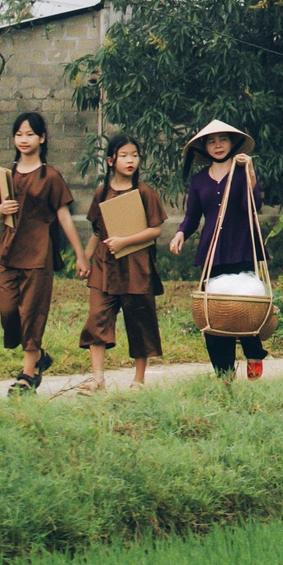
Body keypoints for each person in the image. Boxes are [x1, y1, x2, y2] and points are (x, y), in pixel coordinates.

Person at [0, 110, 86, 394]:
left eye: (30, 134)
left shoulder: (50, 176)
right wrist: (0, 210)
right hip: (8, 251)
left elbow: (64, 216)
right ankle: (40, 356)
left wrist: (80, 255)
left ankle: (27, 375)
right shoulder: (7, 176)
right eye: (19, 134)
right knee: (9, 313)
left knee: (32, 312)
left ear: (42, 138)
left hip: (38, 252)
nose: (24, 139)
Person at [167, 119, 269, 378]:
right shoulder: (199, 180)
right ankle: (224, 374)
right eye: (211, 141)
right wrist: (180, 234)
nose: (218, 145)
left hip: (242, 248)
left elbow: (253, 206)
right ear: (204, 147)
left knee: (244, 308)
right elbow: (192, 216)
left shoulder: (242, 171)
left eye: (223, 139)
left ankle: (254, 353)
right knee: (214, 314)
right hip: (212, 252)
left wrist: (251, 174)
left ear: (232, 143)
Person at [80, 133, 165, 388]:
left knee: (140, 321)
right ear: (110, 160)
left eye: (135, 155)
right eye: (124, 155)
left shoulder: (144, 192)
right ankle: (97, 379)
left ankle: (138, 380)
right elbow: (97, 230)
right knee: (97, 317)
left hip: (137, 267)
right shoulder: (102, 192)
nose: (130, 161)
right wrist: (84, 258)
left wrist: (124, 241)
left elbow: (156, 230)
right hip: (105, 265)